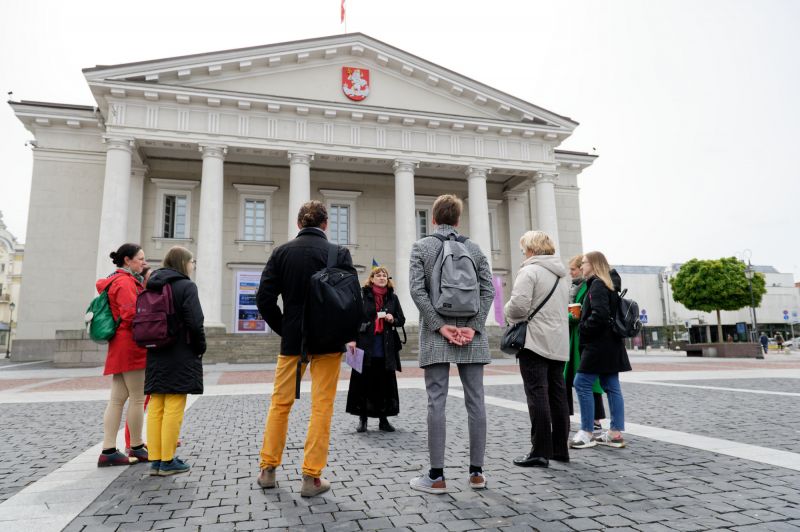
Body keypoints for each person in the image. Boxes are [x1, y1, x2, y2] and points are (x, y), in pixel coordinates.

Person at [255, 200, 357, 497]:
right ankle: (312, 477)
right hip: (329, 341)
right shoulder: (338, 253)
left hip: (293, 342)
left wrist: (286, 327)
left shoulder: (282, 252)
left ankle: (268, 469)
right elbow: (351, 301)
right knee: (321, 407)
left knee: (280, 404)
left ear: (299, 224)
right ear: (326, 224)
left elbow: (264, 299)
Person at [408, 194, 495, 493]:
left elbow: (417, 292)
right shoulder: (474, 248)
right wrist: (473, 327)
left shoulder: (422, 246)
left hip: (436, 333)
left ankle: (436, 476)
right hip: (472, 334)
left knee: (436, 401)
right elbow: (488, 291)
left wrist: (440, 326)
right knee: (476, 402)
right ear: (458, 220)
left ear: (433, 219)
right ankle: (477, 474)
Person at [504, 231, 570, 468]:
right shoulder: (562, 275)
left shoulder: (529, 271)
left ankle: (540, 451)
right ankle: (560, 449)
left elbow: (519, 307)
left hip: (534, 340)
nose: (523, 252)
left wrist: (506, 308)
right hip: (559, 340)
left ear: (531, 249)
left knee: (537, 394)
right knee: (558, 395)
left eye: (524, 248)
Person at [144, 247, 205, 476]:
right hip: (180, 351)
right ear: (183, 263)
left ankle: (156, 460)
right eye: (192, 262)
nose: (193, 266)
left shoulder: (153, 284)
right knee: (174, 407)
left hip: (155, 351)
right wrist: (200, 348)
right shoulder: (186, 286)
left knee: (156, 406)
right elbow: (195, 321)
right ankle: (168, 460)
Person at [570, 251, 632, 450]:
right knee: (611, 385)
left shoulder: (597, 284)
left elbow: (600, 314)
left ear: (595, 265)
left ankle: (587, 431)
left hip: (597, 345)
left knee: (581, 383)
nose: (582, 267)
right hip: (612, 344)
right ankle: (615, 433)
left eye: (585, 263)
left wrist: (583, 328)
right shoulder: (609, 283)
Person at [96, 243, 149, 466]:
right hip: (131, 344)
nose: (143, 263)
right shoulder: (126, 282)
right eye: (140, 259)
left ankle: (108, 450)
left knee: (117, 400)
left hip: (119, 345)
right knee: (138, 397)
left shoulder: (114, 280)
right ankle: (136, 446)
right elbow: (131, 315)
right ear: (127, 260)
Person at [346, 266, 406, 433]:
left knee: (384, 383)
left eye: (384, 275)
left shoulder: (392, 298)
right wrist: (351, 339)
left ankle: (383, 419)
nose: (382, 277)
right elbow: (353, 319)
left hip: (386, 346)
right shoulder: (363, 296)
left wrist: (393, 318)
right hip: (364, 344)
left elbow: (402, 320)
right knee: (363, 382)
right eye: (378, 275)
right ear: (371, 279)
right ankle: (362, 419)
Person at [563, 254, 605, 434]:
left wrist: (566, 317)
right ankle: (568, 416)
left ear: (582, 268)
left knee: (587, 381)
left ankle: (593, 422)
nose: (570, 273)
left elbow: (583, 314)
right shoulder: (576, 287)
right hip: (573, 338)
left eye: (573, 269)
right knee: (572, 379)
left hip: (582, 338)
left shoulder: (588, 286)